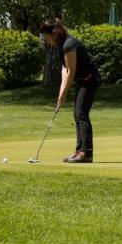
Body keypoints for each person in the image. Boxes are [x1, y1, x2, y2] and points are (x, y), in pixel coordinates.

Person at [40, 18, 100, 163]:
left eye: (47, 38)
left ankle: (86, 153)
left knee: (81, 113)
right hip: (82, 80)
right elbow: (64, 70)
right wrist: (60, 95)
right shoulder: (62, 46)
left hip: (89, 80)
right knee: (77, 113)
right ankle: (79, 151)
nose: (46, 41)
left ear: (54, 34)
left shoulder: (69, 44)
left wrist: (64, 94)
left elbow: (71, 72)